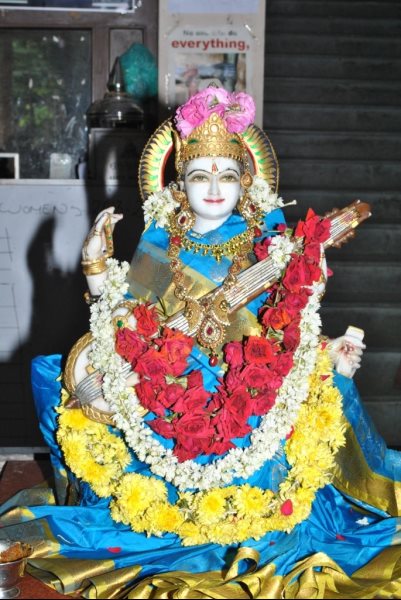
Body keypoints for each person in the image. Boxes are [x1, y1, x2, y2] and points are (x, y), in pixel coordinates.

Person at [2, 87, 401, 599]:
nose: (213, 189)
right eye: (199, 176)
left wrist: (326, 352)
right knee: (58, 379)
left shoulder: (269, 244)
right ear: (179, 184)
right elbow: (126, 323)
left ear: (245, 181)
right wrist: (96, 267)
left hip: (249, 384)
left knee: (320, 397)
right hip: (170, 382)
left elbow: (286, 328)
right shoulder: (160, 242)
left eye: (227, 176)